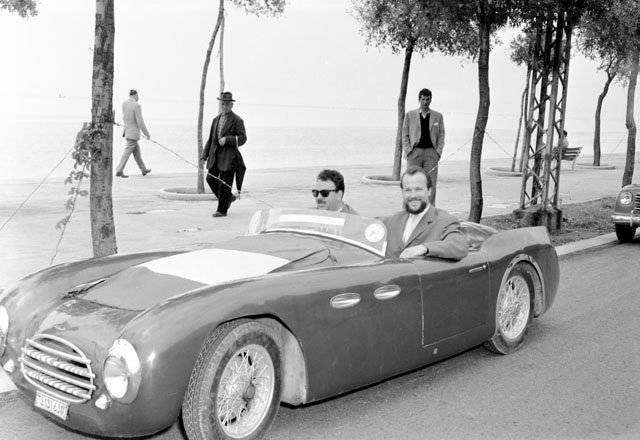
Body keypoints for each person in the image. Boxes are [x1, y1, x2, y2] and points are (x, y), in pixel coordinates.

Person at [383, 166, 468, 260]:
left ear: (429, 191)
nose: (413, 195)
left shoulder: (444, 221)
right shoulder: (392, 221)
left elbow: (459, 246)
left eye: (418, 189)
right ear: (402, 192)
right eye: (408, 190)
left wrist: (423, 248)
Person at [201, 91, 247, 218]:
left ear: (232, 105)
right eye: (223, 104)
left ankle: (222, 210)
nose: (225, 106)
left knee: (224, 184)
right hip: (215, 156)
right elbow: (211, 139)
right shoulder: (216, 120)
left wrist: (228, 140)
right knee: (210, 179)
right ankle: (228, 198)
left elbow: (243, 139)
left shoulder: (237, 120)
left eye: (227, 104)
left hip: (229, 158)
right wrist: (204, 155)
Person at [402, 88, 445, 205]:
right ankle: (410, 210)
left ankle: (430, 210)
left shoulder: (438, 116)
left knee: (430, 184)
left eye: (427, 99)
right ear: (419, 100)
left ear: (431, 100)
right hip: (415, 153)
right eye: (423, 99)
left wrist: (438, 152)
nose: (425, 102)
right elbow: (404, 134)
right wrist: (408, 151)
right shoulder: (409, 115)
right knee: (411, 182)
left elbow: (442, 134)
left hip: (431, 154)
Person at [115, 89, 152, 178]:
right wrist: (147, 134)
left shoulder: (124, 104)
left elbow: (126, 118)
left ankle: (143, 170)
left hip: (127, 131)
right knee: (127, 152)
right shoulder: (137, 106)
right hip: (133, 133)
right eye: (138, 96)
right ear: (135, 95)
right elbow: (140, 122)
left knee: (137, 153)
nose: (138, 98)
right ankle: (119, 170)